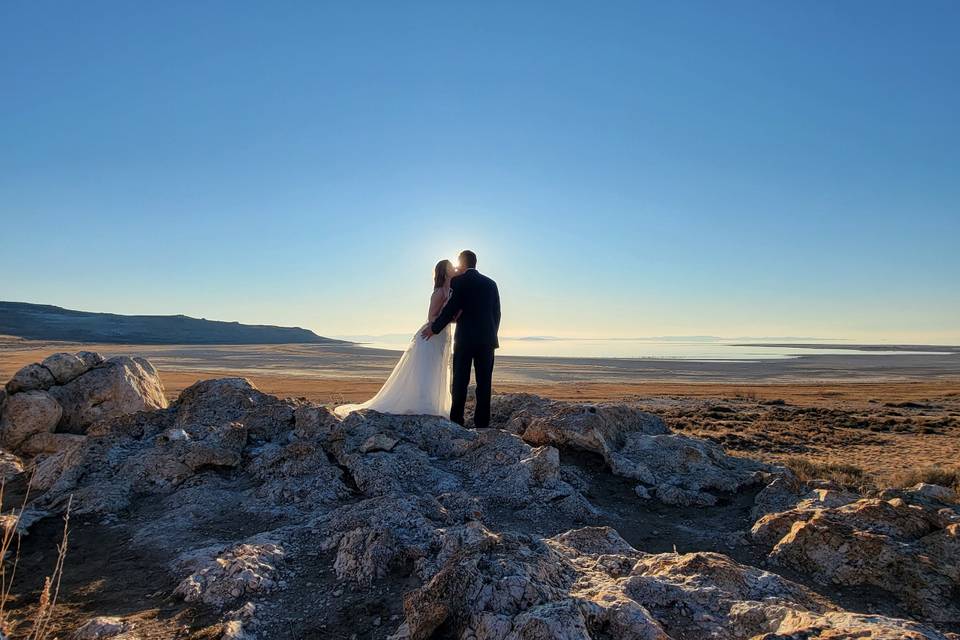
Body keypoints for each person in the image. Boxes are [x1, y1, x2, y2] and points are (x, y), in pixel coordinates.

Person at [335, 259, 456, 417]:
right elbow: (431, 316)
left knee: (438, 368)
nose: (454, 269)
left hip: (442, 335)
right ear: (444, 271)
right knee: (428, 370)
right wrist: (441, 321)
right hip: (431, 335)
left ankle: (434, 405)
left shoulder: (449, 290)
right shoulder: (439, 292)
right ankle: (424, 406)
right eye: (450, 267)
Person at [422, 249, 500, 428]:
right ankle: (482, 424)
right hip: (487, 341)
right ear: (475, 263)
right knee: (484, 383)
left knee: (460, 381)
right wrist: (491, 333)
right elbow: (497, 313)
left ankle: (457, 421)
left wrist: (435, 328)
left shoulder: (459, 282)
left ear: (462, 263)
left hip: (464, 339)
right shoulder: (491, 283)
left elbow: (451, 308)